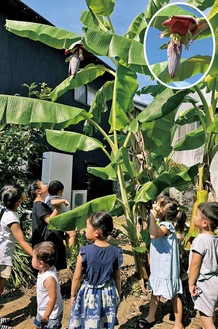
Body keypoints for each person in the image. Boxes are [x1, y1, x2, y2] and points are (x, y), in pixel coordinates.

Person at [68, 211, 123, 329]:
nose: (85, 229)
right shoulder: (116, 252)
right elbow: (117, 276)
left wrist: (73, 295)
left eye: (87, 227)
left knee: (89, 322)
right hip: (109, 293)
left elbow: (77, 277)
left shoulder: (84, 252)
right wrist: (118, 293)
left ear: (97, 232)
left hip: (90, 295)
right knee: (105, 322)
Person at [138, 196, 186, 329]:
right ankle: (151, 316)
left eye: (158, 204)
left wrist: (152, 215)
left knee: (173, 295)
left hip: (167, 268)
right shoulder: (161, 224)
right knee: (156, 291)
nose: (155, 205)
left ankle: (178, 323)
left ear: (164, 211)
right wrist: (153, 217)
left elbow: (153, 234)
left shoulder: (167, 226)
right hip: (160, 266)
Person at [0, 184, 33, 329]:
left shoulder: (6, 212)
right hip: (2, 257)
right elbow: (22, 241)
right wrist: (36, 256)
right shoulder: (12, 218)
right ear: (19, 201)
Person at [188, 202, 218, 329]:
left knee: (206, 320)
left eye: (196, 215)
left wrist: (191, 284)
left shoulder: (200, 240)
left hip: (204, 284)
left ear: (204, 223)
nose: (194, 217)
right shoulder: (216, 239)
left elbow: (195, 264)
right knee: (210, 313)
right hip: (215, 281)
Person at [27, 180, 67, 271]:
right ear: (38, 191)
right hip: (46, 244)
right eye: (44, 184)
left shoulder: (39, 205)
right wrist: (57, 208)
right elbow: (49, 220)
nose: (47, 185)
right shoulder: (39, 205)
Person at [32, 241, 63, 329]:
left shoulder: (49, 279)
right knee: (38, 325)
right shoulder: (45, 269)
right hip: (42, 310)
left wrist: (46, 316)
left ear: (41, 263)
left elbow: (52, 298)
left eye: (33, 257)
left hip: (51, 315)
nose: (32, 259)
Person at [45, 180, 76, 247]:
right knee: (72, 234)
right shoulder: (53, 198)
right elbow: (53, 202)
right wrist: (64, 200)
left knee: (68, 235)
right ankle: (72, 253)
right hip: (59, 221)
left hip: (62, 221)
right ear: (59, 192)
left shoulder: (48, 197)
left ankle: (68, 250)